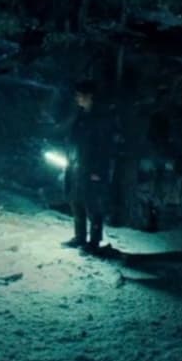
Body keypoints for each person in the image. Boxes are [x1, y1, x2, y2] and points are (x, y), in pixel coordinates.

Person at [63, 80, 122, 253]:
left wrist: (98, 170)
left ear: (89, 96)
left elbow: (105, 147)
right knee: (76, 201)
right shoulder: (81, 115)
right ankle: (80, 237)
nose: (77, 98)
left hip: (91, 168)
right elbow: (74, 139)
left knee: (92, 204)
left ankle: (94, 241)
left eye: (80, 95)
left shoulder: (101, 118)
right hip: (77, 164)